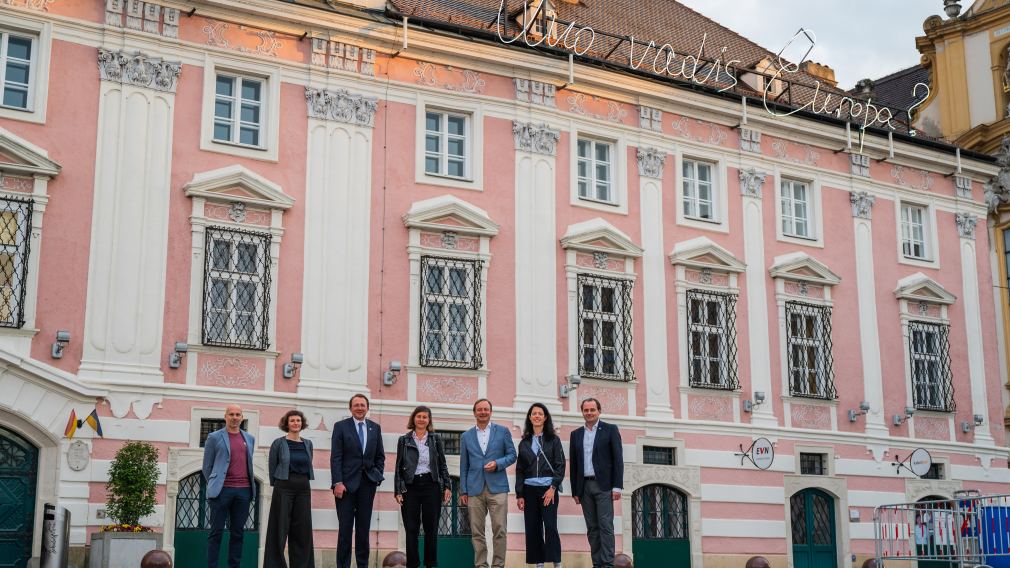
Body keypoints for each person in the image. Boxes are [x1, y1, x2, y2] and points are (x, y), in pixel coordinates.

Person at [459, 398, 516, 568]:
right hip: (474, 489)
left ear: (490, 412)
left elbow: (512, 455)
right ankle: (481, 565)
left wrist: (498, 464)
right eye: (479, 409)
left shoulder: (503, 431)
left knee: (500, 529)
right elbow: (464, 465)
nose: (483, 412)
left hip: (497, 488)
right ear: (474, 413)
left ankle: (498, 565)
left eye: (486, 409)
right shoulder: (466, 436)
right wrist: (463, 490)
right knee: (477, 532)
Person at [393, 406, 452, 568]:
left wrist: (447, 485)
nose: (421, 419)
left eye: (425, 417)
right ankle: (412, 564)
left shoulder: (435, 439)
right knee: (411, 528)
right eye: (418, 416)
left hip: (431, 486)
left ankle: (430, 564)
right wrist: (398, 490)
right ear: (413, 419)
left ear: (429, 420)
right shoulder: (404, 440)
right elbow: (398, 467)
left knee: (431, 528)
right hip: (410, 487)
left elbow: (442, 465)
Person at [331, 393, 385, 568]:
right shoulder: (340, 427)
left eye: (363, 405)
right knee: (345, 531)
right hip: (345, 487)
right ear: (350, 408)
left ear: (367, 408)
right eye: (356, 405)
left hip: (367, 485)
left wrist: (376, 476)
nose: (360, 408)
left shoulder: (375, 428)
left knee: (363, 531)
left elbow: (380, 456)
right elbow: (336, 457)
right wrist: (337, 482)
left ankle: (363, 565)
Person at [569, 398, 623, 568]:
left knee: (605, 526)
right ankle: (597, 563)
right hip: (584, 486)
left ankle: (607, 563)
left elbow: (618, 459)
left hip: (604, 486)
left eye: (592, 410)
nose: (589, 413)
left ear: (599, 411)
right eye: (586, 410)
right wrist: (575, 491)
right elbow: (574, 464)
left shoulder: (610, 430)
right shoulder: (576, 434)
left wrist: (617, 486)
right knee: (592, 528)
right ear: (582, 412)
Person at [202, 404, 255, 568]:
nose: (234, 417)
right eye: (231, 414)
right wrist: (215, 484)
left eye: (238, 414)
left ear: (242, 417)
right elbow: (207, 466)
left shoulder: (249, 438)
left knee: (238, 533)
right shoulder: (214, 437)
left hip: (244, 491)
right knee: (216, 532)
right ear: (225, 416)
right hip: (221, 491)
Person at [516, 403, 565, 568]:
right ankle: (539, 563)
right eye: (534, 413)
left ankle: (557, 562)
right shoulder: (524, 443)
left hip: (548, 489)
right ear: (530, 417)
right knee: (533, 527)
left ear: (545, 417)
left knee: (550, 526)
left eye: (540, 413)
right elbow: (520, 470)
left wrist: (553, 488)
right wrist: (520, 494)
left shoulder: (553, 440)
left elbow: (560, 465)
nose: (537, 416)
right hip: (529, 490)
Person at [265, 409, 315, 568]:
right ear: (287, 424)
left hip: (303, 489)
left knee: (302, 531)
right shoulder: (279, 443)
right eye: (292, 421)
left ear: (302, 423)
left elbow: (308, 463)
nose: (296, 423)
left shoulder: (308, 443)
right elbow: (272, 466)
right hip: (283, 487)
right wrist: (278, 485)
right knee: (278, 528)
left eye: (298, 421)